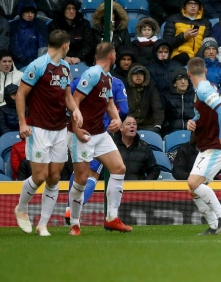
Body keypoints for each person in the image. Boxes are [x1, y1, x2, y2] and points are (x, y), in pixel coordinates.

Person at [14, 29, 83, 236]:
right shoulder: (37, 66)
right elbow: (20, 95)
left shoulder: (65, 67)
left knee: (54, 177)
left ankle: (43, 224)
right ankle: (21, 208)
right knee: (40, 176)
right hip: (39, 129)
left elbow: (68, 96)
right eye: (69, 44)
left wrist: (76, 110)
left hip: (60, 129)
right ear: (65, 45)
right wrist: (22, 123)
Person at [66, 42, 131, 235]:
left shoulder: (108, 77)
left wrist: (117, 120)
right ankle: (75, 223)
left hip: (100, 133)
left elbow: (109, 103)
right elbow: (74, 100)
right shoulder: (92, 74)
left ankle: (112, 218)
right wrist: (76, 129)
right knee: (81, 179)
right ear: (112, 56)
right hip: (83, 133)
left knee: (119, 168)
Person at [185, 56, 221, 235]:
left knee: (193, 183)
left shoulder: (204, 89)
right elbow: (204, 114)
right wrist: (193, 121)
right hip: (207, 144)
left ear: (188, 73)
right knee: (193, 189)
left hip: (216, 144)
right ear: (205, 71)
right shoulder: (205, 88)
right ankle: (214, 226)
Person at [163, 0, 212, 64]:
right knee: (183, 57)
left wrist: (196, 58)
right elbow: (167, 43)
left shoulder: (206, 23)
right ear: (184, 5)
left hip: (198, 58)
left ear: (199, 6)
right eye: (190, 3)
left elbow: (207, 44)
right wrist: (184, 37)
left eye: (196, 4)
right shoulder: (174, 19)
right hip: (179, 57)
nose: (193, 6)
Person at [47, 0, 95, 65]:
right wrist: (63, 57)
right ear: (63, 10)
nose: (71, 11)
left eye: (74, 9)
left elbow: (88, 44)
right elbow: (52, 45)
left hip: (81, 60)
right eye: (68, 9)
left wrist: (79, 57)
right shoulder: (54, 25)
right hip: (59, 60)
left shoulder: (84, 24)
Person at [113, 114, 160, 180]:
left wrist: (145, 184)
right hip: (116, 187)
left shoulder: (144, 147)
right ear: (121, 128)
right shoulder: (112, 146)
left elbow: (154, 170)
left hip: (137, 188)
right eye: (128, 124)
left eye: (134, 124)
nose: (132, 126)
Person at [9, 0, 49, 69]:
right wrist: (23, 59)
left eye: (32, 12)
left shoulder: (40, 24)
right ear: (21, 12)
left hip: (38, 63)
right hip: (19, 63)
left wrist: (39, 61)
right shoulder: (14, 25)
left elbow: (43, 44)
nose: (30, 15)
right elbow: (14, 45)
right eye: (27, 12)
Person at [126, 64, 164, 134]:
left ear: (145, 76)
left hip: (148, 125)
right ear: (130, 76)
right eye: (135, 74)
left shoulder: (151, 87)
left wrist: (157, 125)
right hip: (129, 124)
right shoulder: (125, 87)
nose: (138, 76)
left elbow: (157, 106)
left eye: (141, 74)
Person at [161, 68, 195, 135]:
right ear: (174, 84)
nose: (183, 81)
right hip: (171, 132)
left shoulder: (195, 95)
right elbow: (163, 118)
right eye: (179, 79)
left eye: (185, 79)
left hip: (192, 131)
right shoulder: (165, 96)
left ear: (188, 83)